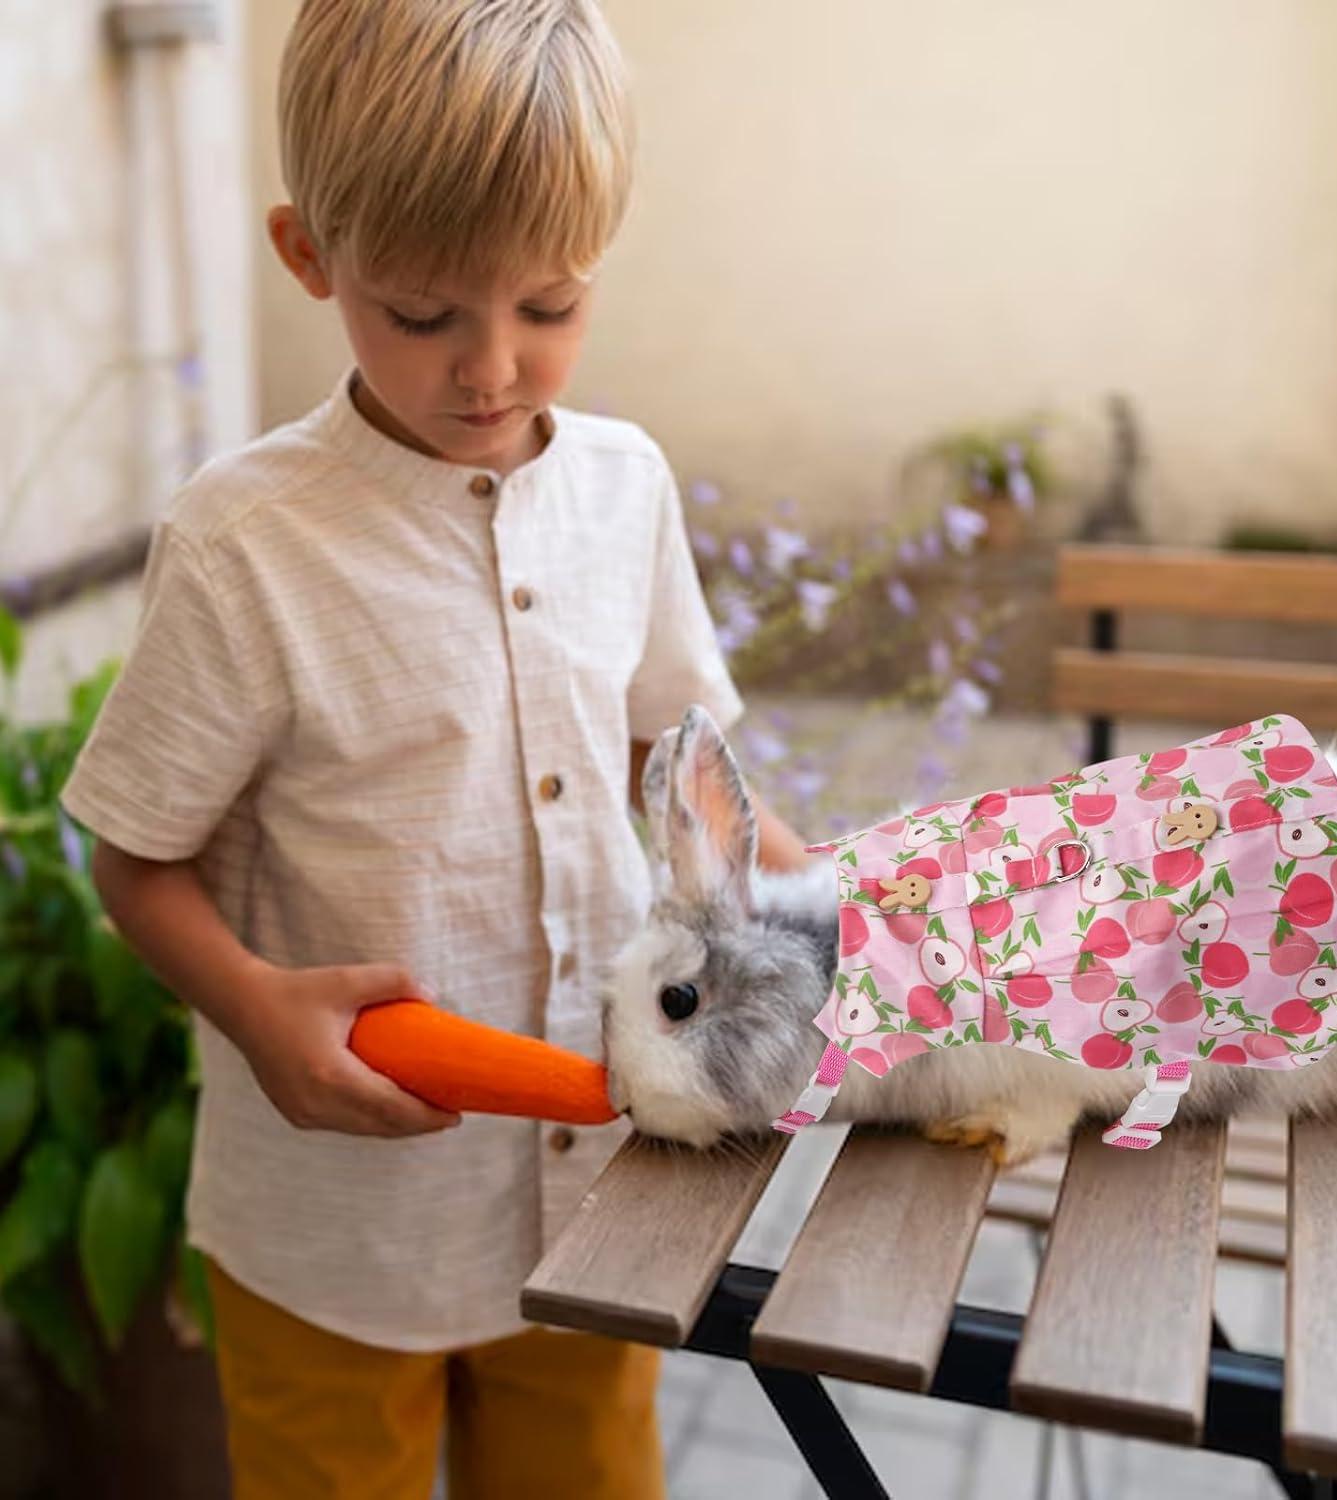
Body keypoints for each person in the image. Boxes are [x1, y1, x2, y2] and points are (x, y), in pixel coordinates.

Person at [60, 2, 804, 1493]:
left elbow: (684, 757)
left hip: (602, 1189)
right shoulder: (246, 538)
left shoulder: (626, 486)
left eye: (551, 306)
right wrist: (262, 1010)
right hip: (338, 1239)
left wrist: (833, 908)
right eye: (424, 316)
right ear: (308, 256)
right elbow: (133, 855)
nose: (495, 368)